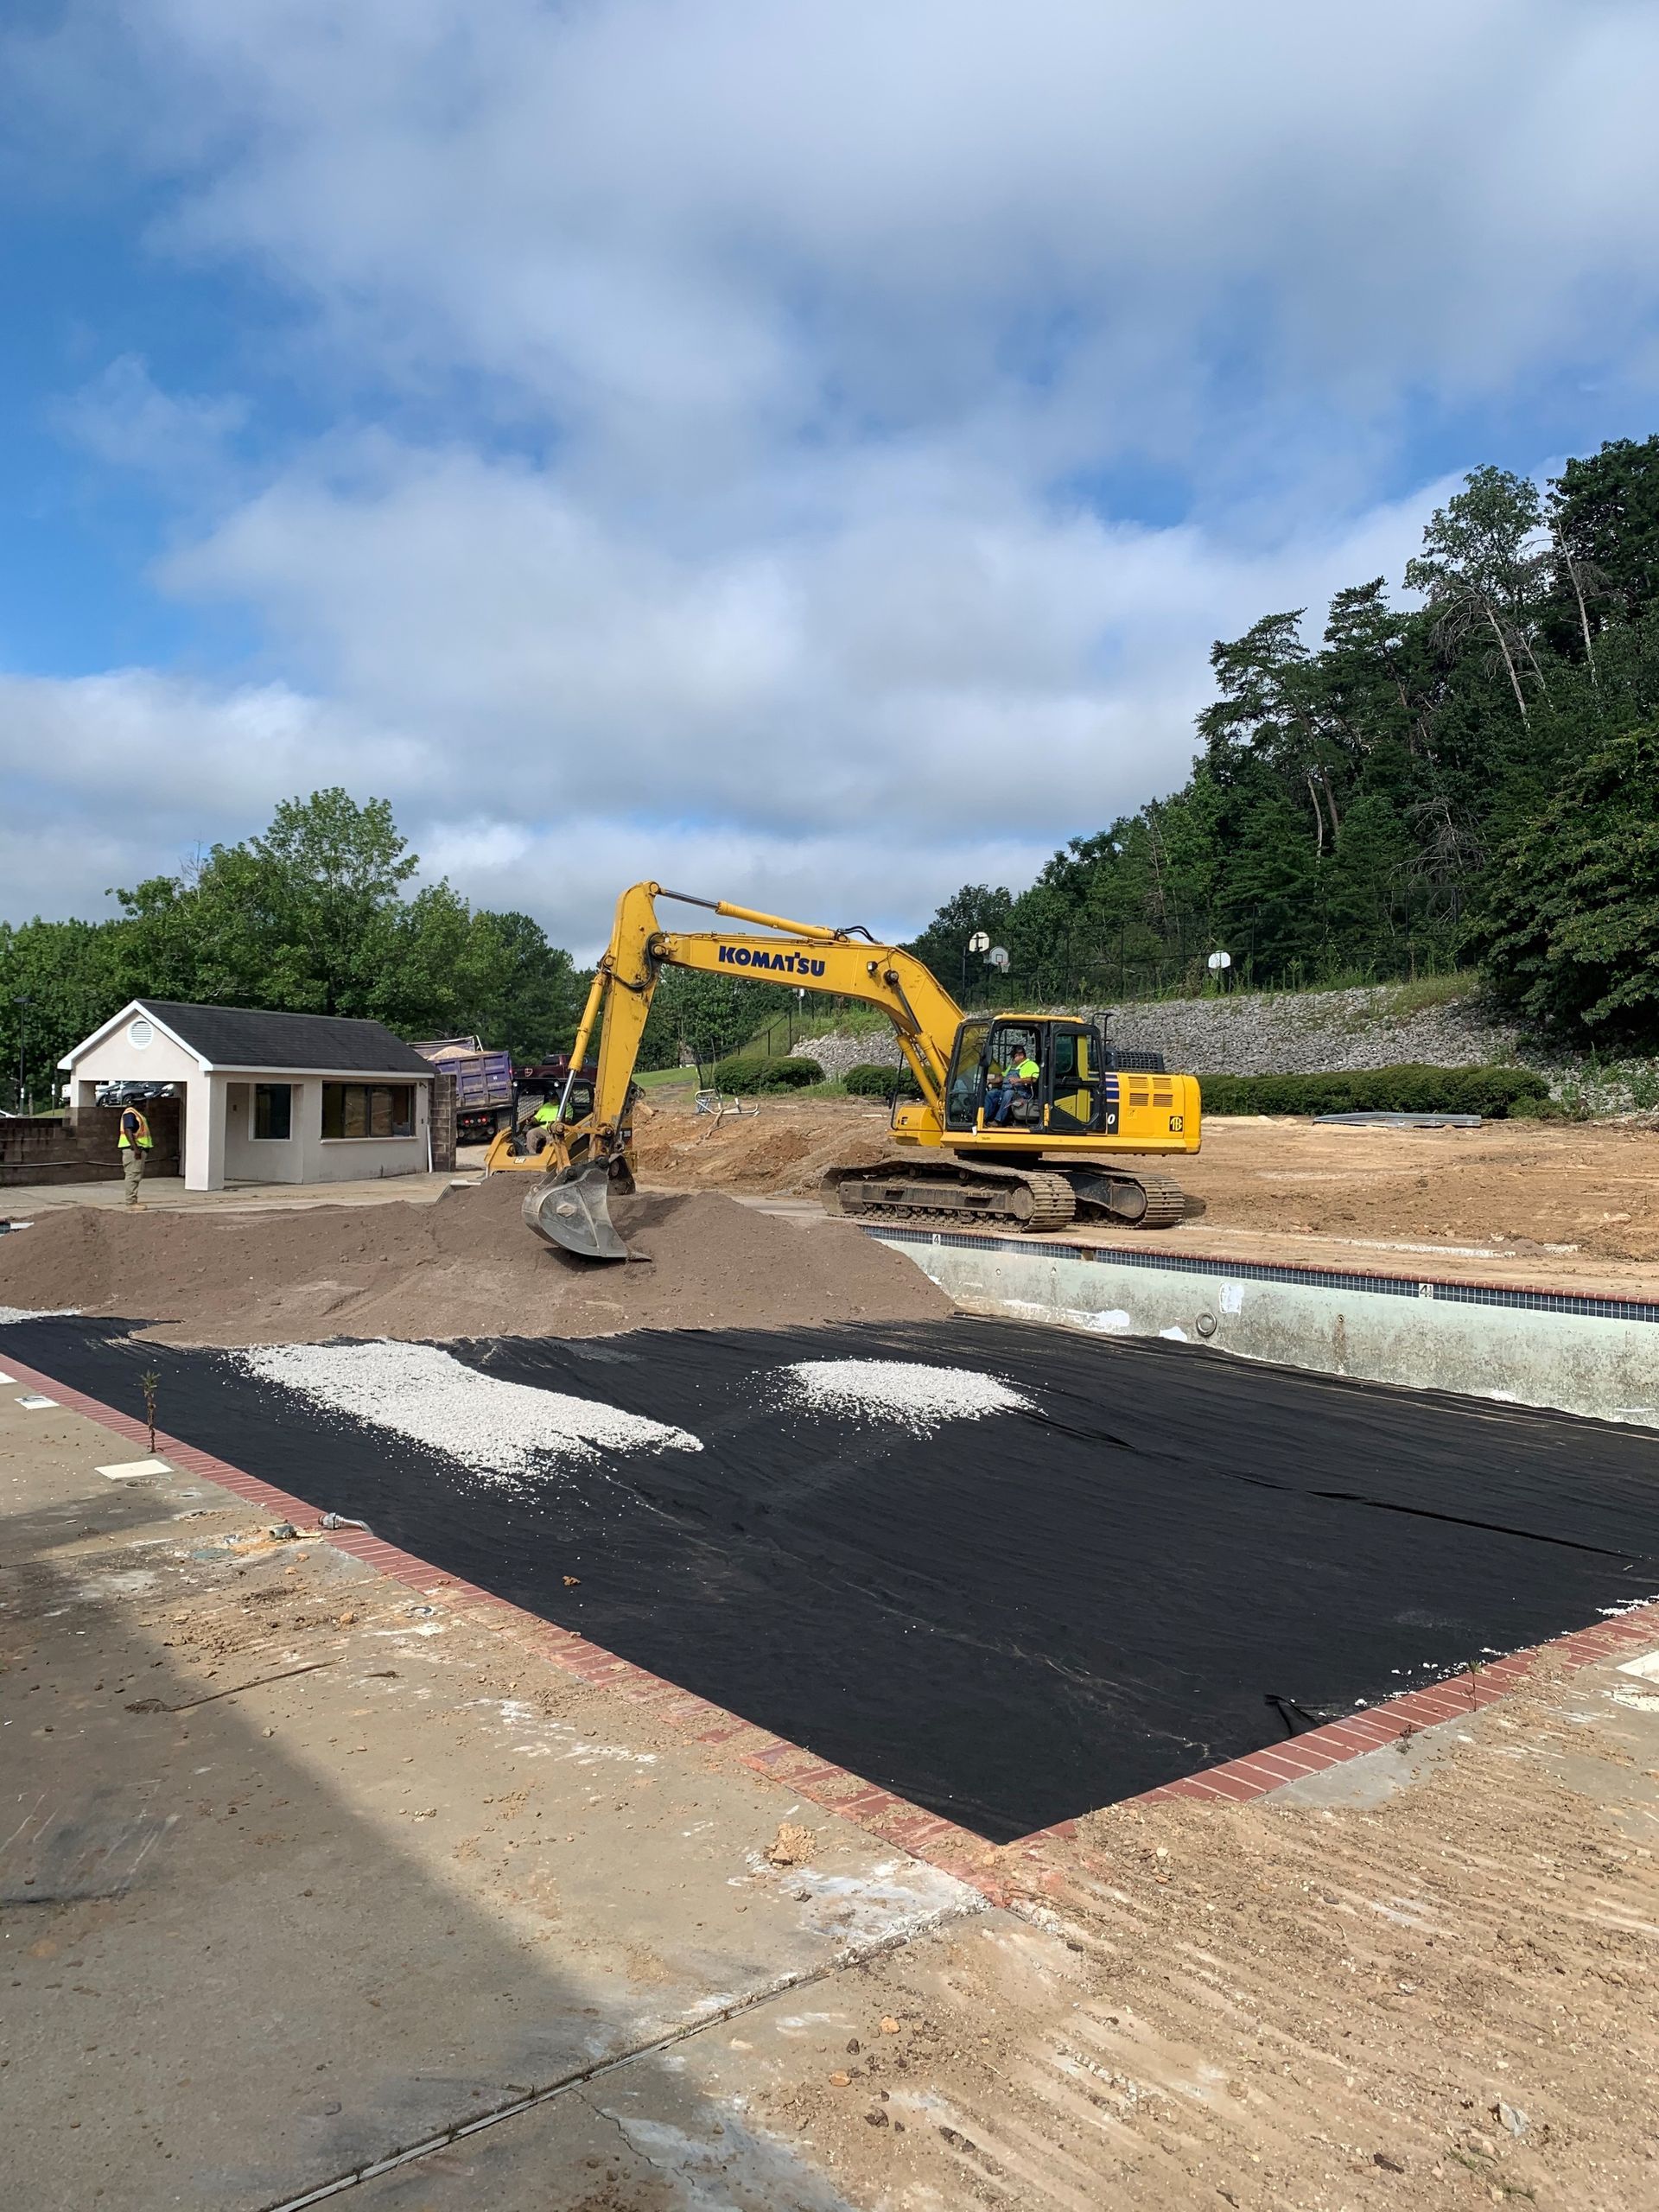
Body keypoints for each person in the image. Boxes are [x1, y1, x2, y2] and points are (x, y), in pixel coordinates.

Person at [118, 1093, 153, 1209]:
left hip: (137, 1149)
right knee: (133, 1175)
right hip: (133, 1150)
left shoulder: (137, 1114)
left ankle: (133, 1201)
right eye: (142, 1103)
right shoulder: (130, 1114)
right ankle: (131, 1203)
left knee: (135, 1175)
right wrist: (136, 1148)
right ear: (136, 1103)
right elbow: (128, 1130)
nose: (144, 1105)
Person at [990, 1050, 1041, 1125]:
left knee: (1008, 1094)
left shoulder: (1031, 1065)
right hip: (1006, 1089)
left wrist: (1018, 1080)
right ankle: (986, 1117)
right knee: (991, 1094)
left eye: (1014, 1057)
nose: (1012, 1059)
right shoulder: (1012, 1066)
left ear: (1021, 1056)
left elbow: (1033, 1079)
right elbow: (1002, 1077)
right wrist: (990, 1081)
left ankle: (999, 1120)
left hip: (1023, 1092)